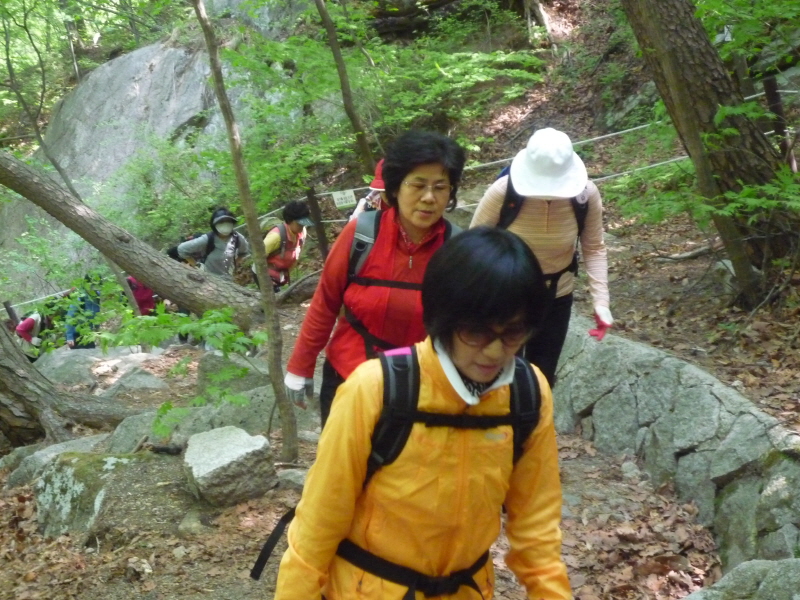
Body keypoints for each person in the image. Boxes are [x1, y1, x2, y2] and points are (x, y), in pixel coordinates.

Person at [274, 227, 571, 600]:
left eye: (513, 333)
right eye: (477, 333)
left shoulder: (527, 394)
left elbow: (537, 526)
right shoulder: (376, 390)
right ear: (444, 319)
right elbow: (318, 522)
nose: (495, 352)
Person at [284, 130, 466, 426]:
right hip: (349, 376)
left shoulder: (457, 250)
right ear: (395, 188)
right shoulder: (361, 235)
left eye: (440, 187)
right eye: (418, 184)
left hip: (421, 386)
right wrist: (300, 366)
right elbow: (325, 303)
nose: (429, 197)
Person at [470, 127, 613, 386]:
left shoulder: (585, 196)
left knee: (541, 378)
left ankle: (534, 413)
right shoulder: (503, 192)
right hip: (506, 297)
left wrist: (601, 302)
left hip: (556, 297)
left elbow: (594, 248)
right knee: (499, 378)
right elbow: (473, 246)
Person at [255, 200, 315, 292]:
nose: (302, 226)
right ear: (290, 220)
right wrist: (266, 282)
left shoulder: (302, 232)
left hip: (282, 275)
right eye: (300, 223)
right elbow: (258, 260)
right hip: (267, 276)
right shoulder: (275, 237)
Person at [176, 207, 250, 280]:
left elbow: (244, 252)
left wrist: (237, 264)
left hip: (229, 279)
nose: (225, 224)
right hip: (209, 279)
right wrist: (196, 265)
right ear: (215, 224)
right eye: (221, 222)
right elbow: (182, 249)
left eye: (228, 221)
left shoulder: (238, 238)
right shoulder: (208, 239)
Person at [65, 275, 102, 349]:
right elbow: (69, 318)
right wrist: (69, 337)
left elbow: (97, 312)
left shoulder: (97, 296)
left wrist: (97, 328)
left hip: (89, 333)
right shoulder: (79, 298)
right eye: (93, 285)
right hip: (77, 335)